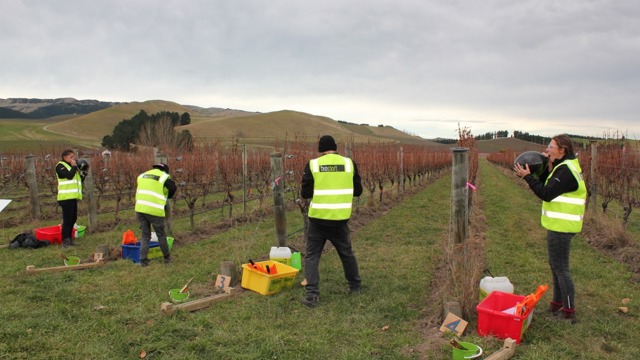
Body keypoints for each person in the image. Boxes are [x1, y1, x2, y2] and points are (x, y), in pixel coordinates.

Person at [514, 134, 587, 323]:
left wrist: (528, 177)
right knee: (556, 266)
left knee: (561, 268)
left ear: (562, 150)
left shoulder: (566, 171)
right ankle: (557, 304)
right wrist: (543, 166)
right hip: (559, 225)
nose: (547, 149)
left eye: (551, 147)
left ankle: (568, 311)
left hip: (562, 227)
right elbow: (550, 184)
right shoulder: (563, 167)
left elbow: (546, 193)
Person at [300, 135, 363, 307]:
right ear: (336, 148)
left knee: (312, 256)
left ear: (320, 150)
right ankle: (355, 286)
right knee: (346, 253)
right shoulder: (349, 164)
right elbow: (358, 191)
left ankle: (312, 295)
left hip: (318, 219)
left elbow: (305, 193)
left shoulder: (313, 165)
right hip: (340, 219)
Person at [134, 163, 177, 267]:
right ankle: (167, 258)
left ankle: (143, 260)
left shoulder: (142, 175)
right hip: (154, 210)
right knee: (161, 234)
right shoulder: (163, 176)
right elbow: (173, 188)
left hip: (140, 209)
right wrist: (168, 196)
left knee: (145, 235)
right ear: (165, 170)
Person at [56, 149, 86, 248]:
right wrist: (74, 167)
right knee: (67, 220)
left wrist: (83, 175)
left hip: (73, 197)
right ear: (65, 157)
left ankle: (70, 239)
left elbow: (77, 180)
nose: (74, 159)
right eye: (71, 157)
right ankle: (65, 241)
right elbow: (69, 176)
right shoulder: (60, 166)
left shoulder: (71, 167)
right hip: (65, 198)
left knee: (73, 218)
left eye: (74, 157)